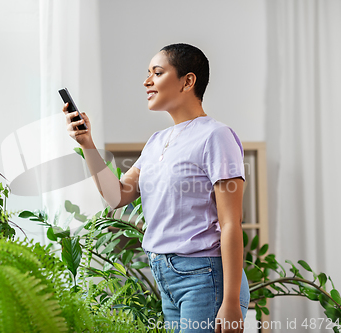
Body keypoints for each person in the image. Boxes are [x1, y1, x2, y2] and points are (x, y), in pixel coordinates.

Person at [63, 43, 249, 333]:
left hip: (204, 277)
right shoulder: (156, 142)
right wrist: (86, 142)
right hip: (166, 277)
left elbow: (231, 224)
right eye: (147, 73)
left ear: (188, 81)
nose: (146, 81)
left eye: (157, 73)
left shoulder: (217, 136)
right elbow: (117, 196)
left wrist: (231, 301)